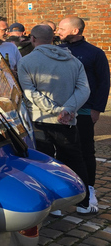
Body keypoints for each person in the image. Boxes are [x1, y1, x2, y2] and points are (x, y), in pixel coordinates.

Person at [17, 25, 94, 214]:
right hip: (66, 121)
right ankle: (84, 203)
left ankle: (52, 205)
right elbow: (84, 89)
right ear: (53, 39)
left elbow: (29, 93)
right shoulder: (74, 61)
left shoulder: (26, 61)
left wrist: (56, 110)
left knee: (43, 162)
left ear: (33, 39)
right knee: (75, 160)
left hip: (40, 119)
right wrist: (67, 110)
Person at [57, 16, 110, 210]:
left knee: (86, 150)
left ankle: (89, 189)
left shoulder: (94, 53)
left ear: (75, 31)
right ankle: (64, 189)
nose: (58, 31)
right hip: (60, 110)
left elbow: (104, 82)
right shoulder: (57, 51)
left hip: (85, 110)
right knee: (62, 150)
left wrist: (97, 109)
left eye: (62, 28)